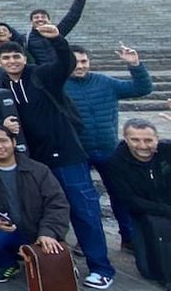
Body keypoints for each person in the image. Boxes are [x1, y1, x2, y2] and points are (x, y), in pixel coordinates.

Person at [0, 25, 116, 290]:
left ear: (24, 58)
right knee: (42, 212)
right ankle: (58, 262)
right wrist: (2, 123)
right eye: (6, 58)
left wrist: (57, 39)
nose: (12, 61)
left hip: (65, 153)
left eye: (16, 56)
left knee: (83, 209)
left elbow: (65, 64)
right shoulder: (0, 85)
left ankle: (100, 267)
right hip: (33, 159)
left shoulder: (41, 75)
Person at [64, 43, 152, 250]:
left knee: (121, 195)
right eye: (75, 62)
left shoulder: (105, 82)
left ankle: (129, 237)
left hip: (108, 150)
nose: (80, 66)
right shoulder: (59, 87)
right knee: (85, 201)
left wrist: (135, 65)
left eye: (84, 61)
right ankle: (87, 240)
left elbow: (141, 88)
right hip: (78, 152)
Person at [0, 124, 70, 283]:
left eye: (3, 140)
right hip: (6, 231)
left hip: (37, 231)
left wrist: (48, 232)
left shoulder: (39, 170)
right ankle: (8, 263)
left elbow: (57, 204)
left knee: (55, 276)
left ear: (13, 142)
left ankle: (42, 257)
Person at [107, 119, 171, 291]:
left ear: (157, 139)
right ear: (126, 139)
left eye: (148, 140)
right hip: (145, 210)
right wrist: (166, 211)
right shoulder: (115, 163)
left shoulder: (167, 151)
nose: (142, 146)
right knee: (149, 265)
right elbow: (128, 199)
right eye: (135, 140)